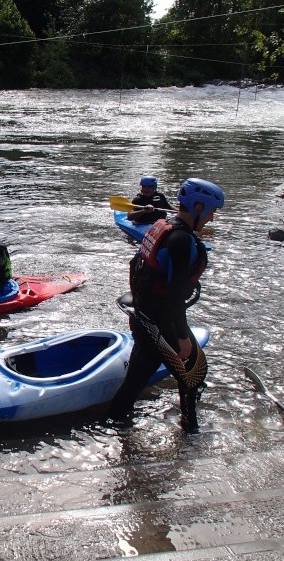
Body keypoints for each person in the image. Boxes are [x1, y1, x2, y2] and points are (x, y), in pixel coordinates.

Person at [109, 178, 225, 433]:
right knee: (194, 372)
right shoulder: (181, 240)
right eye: (211, 212)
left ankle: (117, 426)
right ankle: (191, 434)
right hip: (159, 322)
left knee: (136, 379)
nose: (212, 219)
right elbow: (174, 297)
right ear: (197, 208)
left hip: (144, 317)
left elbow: (135, 266)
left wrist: (143, 310)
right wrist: (182, 337)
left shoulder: (161, 226)